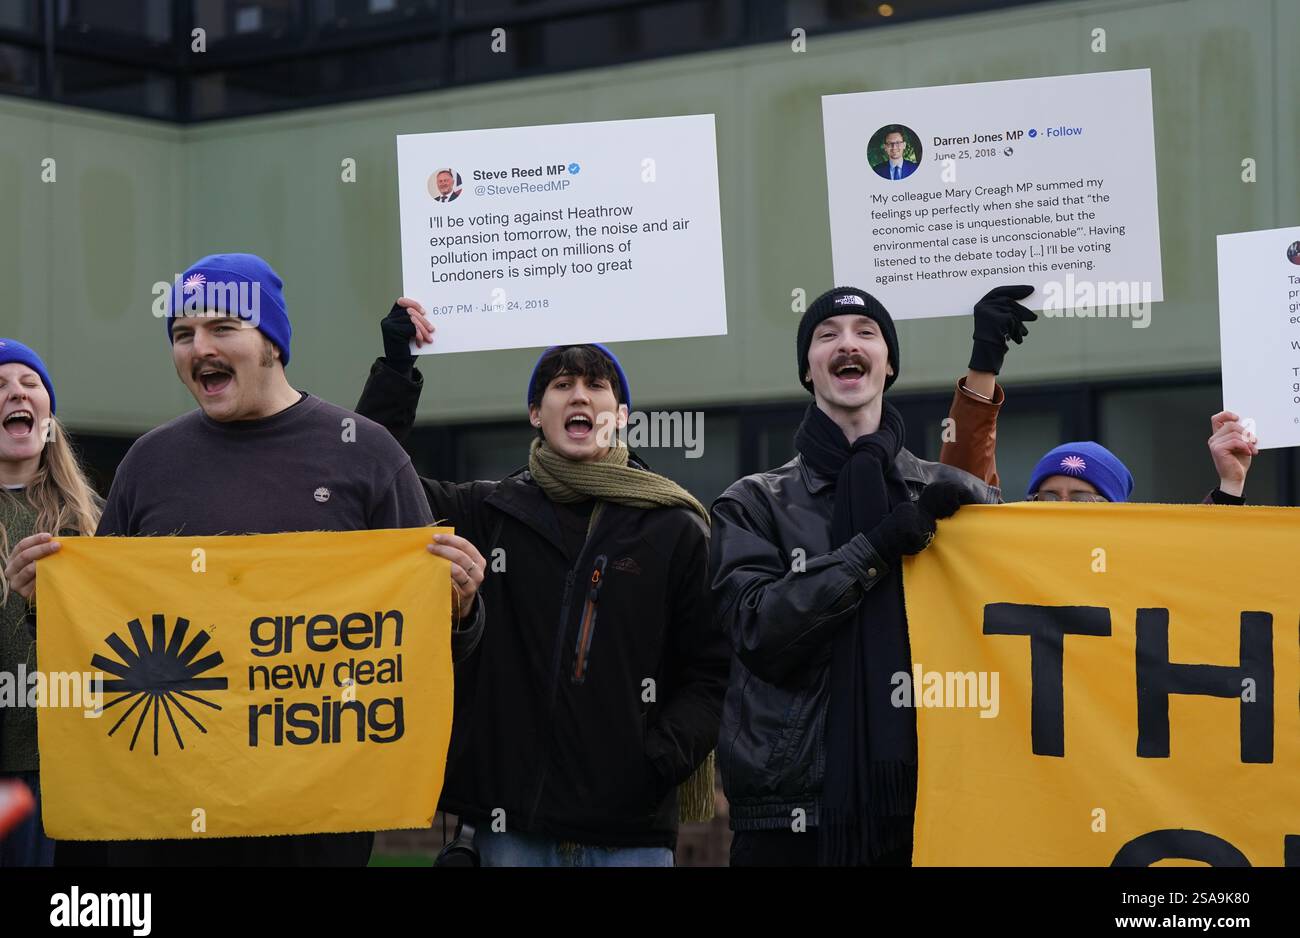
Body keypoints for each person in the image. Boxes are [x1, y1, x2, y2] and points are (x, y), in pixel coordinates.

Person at [8, 254, 485, 866]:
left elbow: (426, 648)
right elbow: (110, 640)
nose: (198, 346)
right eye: (183, 334)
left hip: (316, 821)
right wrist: (44, 605)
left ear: (273, 344)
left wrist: (461, 607)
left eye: (222, 328)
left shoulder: (365, 455)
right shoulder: (149, 465)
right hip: (171, 813)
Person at [354, 300, 728, 866]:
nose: (579, 396)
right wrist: (397, 371)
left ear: (620, 414)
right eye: (561, 385)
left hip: (630, 834)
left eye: (596, 385)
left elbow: (710, 671)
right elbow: (374, 479)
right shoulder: (487, 512)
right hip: (510, 828)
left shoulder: (674, 527)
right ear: (536, 413)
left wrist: (657, 760)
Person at [709, 287, 998, 867]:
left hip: (928, 804)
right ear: (808, 369)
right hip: (792, 818)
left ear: (888, 364)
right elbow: (759, 630)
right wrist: (877, 547)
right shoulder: (752, 503)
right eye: (827, 334)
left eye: (866, 332)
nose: (848, 343)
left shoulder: (946, 493)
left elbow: (1014, 617)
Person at [941, 286, 1256, 503]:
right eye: (1048, 498)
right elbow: (965, 483)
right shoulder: (1005, 557)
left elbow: (1195, 561)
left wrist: (1230, 484)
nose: (1062, 509)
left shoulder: (1138, 569)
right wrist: (985, 358)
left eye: (1081, 499)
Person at [0, 341, 101, 867]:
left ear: (47, 417)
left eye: (29, 383)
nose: (16, 391)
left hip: (67, 766)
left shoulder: (98, 524)